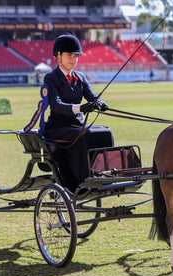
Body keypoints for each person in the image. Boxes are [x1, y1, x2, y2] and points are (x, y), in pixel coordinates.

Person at [44, 33, 109, 192]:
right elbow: (56, 105)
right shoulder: (51, 78)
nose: (73, 59)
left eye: (76, 56)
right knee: (82, 135)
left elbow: (92, 96)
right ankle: (82, 180)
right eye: (69, 55)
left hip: (77, 125)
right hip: (58, 127)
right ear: (58, 56)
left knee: (105, 132)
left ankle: (104, 174)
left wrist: (99, 103)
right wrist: (80, 108)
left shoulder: (80, 77)